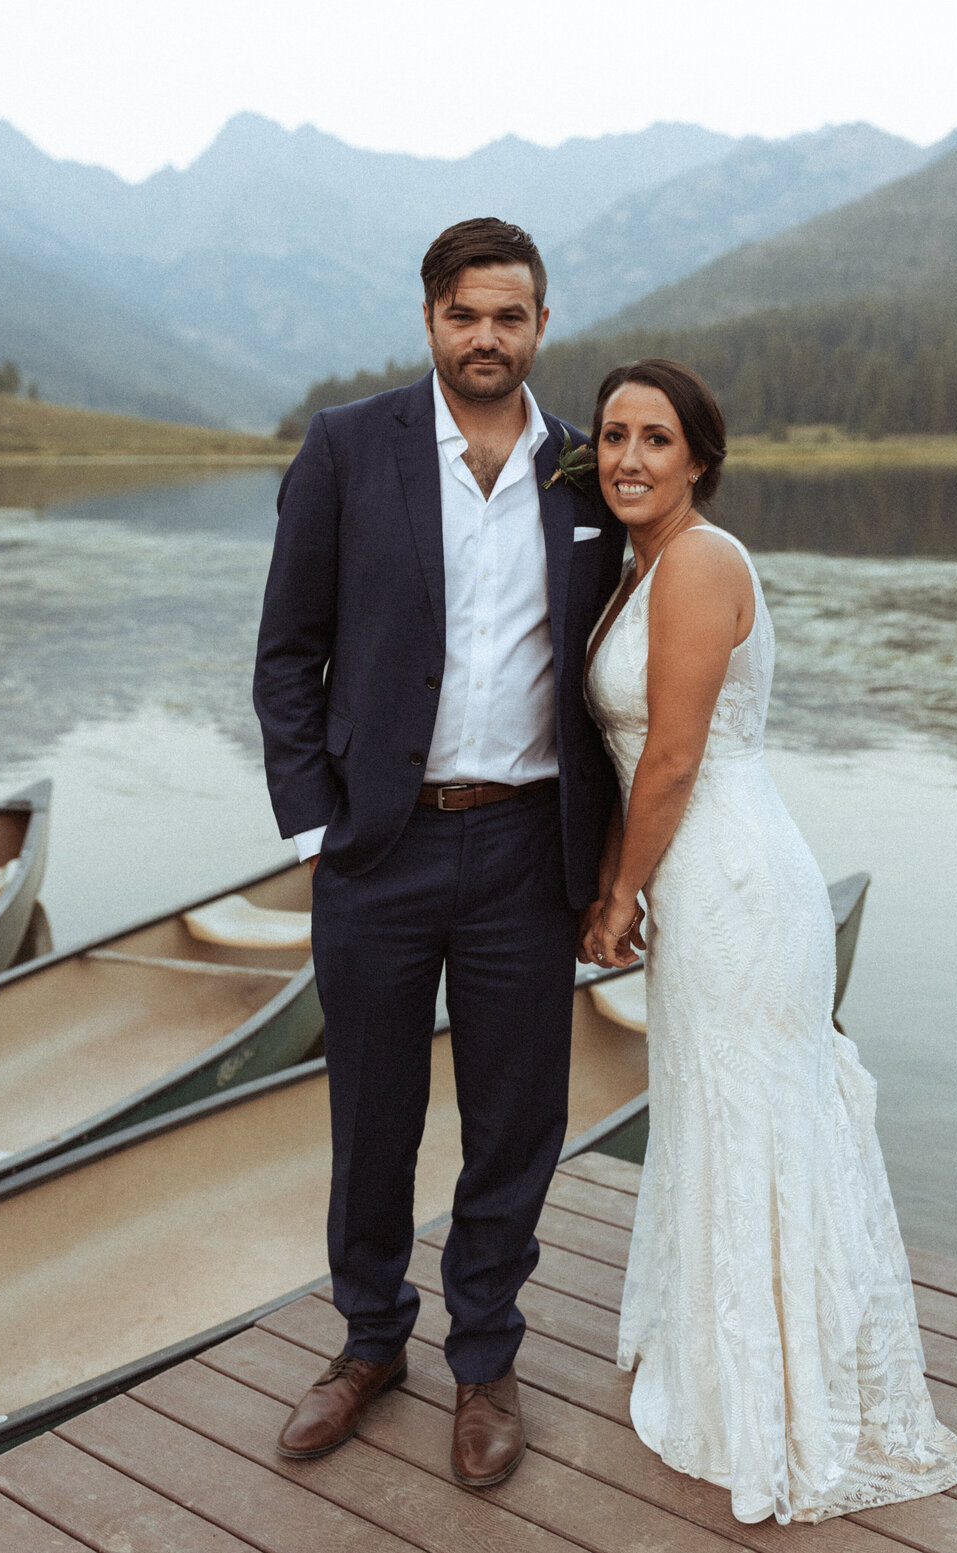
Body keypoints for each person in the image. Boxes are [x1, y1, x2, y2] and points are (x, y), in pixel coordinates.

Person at [253, 218, 625, 1485]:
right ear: (430, 319)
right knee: (373, 1109)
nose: (486, 338)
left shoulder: (584, 471)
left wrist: (618, 866)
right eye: (465, 315)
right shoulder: (350, 448)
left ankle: (485, 1357)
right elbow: (285, 655)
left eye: (509, 317)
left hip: (529, 846)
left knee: (518, 1116)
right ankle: (367, 1341)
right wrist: (316, 825)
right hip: (378, 845)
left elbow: (615, 677)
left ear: (539, 324)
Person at [582, 359, 957, 1524]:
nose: (630, 458)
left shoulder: (701, 562)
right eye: (613, 435)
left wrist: (617, 894)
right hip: (703, 876)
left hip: (738, 883)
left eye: (658, 439)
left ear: (699, 458)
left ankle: (781, 1395)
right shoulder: (641, 563)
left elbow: (671, 756)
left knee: (754, 1112)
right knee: (714, 1109)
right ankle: (723, 1352)